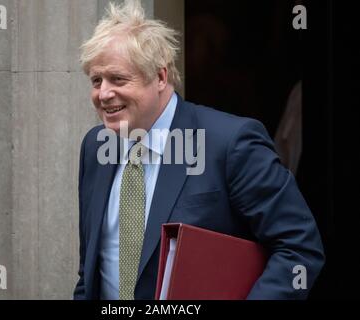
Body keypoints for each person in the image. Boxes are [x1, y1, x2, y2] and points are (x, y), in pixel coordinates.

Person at [73, 0, 324, 300]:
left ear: (161, 77)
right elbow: (90, 272)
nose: (103, 94)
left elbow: (299, 246)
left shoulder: (230, 143)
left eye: (118, 79)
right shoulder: (94, 147)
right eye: (96, 80)